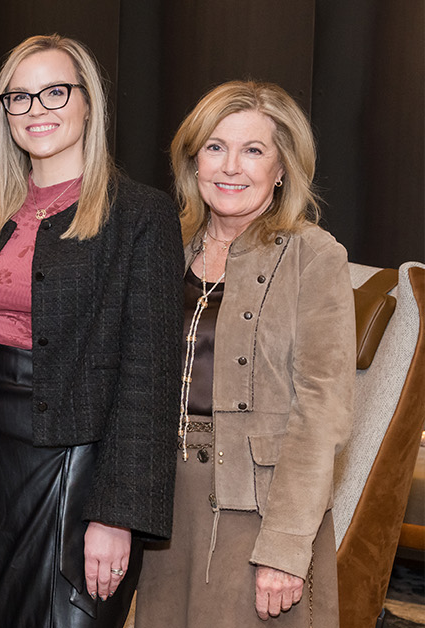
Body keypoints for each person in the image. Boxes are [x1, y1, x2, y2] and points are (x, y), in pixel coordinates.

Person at [0, 34, 182, 627]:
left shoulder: (141, 215)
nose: (36, 109)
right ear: (4, 115)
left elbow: (149, 376)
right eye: (18, 98)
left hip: (79, 466)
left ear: (88, 103)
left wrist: (117, 513)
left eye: (54, 91)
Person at [135, 80, 352, 626]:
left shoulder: (314, 256)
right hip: (163, 511)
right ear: (194, 161)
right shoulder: (165, 245)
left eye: (253, 150)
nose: (231, 167)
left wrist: (283, 548)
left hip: (258, 513)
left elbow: (322, 414)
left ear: (282, 169)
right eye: (215, 147)